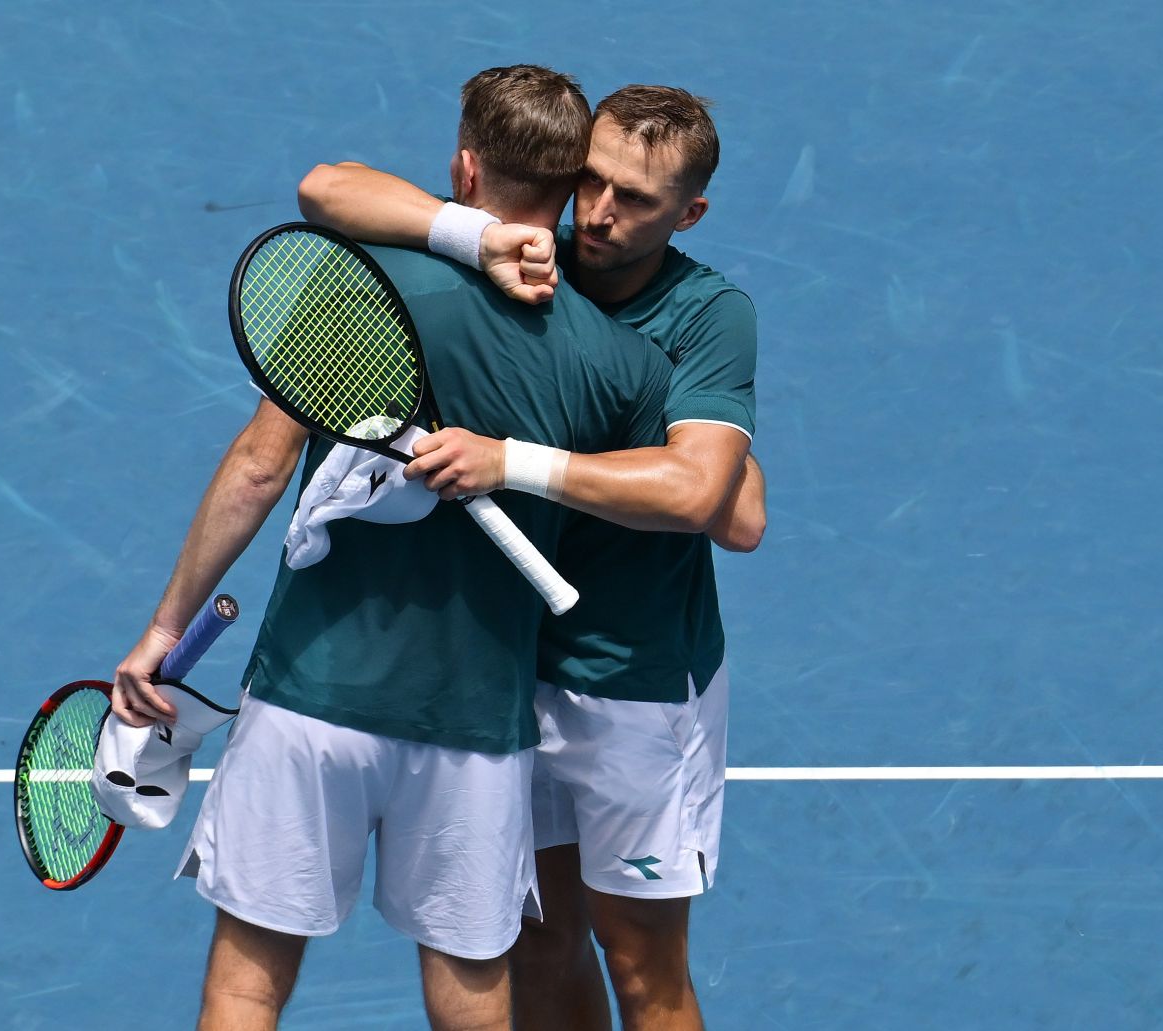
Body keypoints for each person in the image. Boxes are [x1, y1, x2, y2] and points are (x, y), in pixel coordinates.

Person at [113, 66, 674, 1031]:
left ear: (464, 167)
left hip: (310, 702)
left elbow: (258, 468)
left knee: (249, 982)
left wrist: (165, 629)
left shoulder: (358, 284)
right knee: (472, 998)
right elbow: (680, 509)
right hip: (477, 727)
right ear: (573, 184)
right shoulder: (615, 360)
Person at [298, 85, 762, 1031]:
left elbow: (715, 502)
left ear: (690, 213)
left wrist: (510, 461)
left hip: (631, 679)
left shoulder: (709, 316)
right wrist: (472, 236)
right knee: (537, 940)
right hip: (514, 668)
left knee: (642, 967)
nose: (599, 212)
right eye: (590, 181)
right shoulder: (529, 256)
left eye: (636, 199)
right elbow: (327, 187)